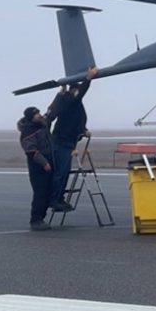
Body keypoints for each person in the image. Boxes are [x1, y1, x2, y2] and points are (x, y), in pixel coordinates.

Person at [47, 67, 98, 211]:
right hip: (61, 142)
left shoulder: (71, 102)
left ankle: (59, 198)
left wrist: (83, 130)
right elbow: (79, 95)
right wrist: (88, 79)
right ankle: (55, 200)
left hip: (68, 142)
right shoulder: (68, 100)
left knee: (64, 172)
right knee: (61, 172)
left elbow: (75, 118)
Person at [18, 106, 54, 231]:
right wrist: (44, 163)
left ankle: (41, 219)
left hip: (49, 163)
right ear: (30, 117)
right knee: (40, 193)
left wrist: (62, 92)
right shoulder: (27, 132)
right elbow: (31, 151)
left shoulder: (42, 125)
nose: (39, 115)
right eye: (36, 114)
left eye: (39, 112)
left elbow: (51, 113)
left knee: (48, 192)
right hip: (37, 167)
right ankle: (36, 220)